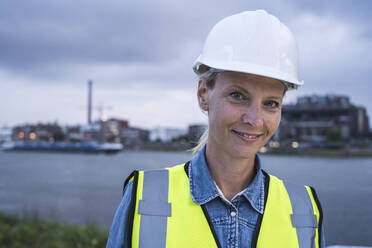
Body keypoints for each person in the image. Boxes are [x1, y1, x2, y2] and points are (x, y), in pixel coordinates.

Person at [107, 10, 325, 248]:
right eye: (237, 95)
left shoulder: (304, 209)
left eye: (271, 103)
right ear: (203, 94)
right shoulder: (143, 197)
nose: (255, 119)